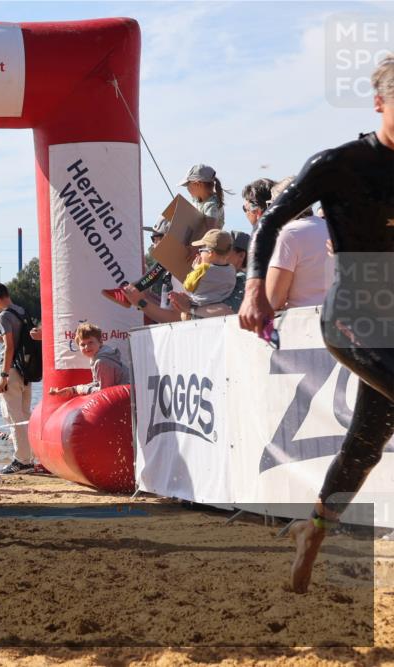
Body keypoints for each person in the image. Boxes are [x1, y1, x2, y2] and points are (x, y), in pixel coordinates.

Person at [239, 55, 394, 593]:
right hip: (353, 312)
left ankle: (314, 530)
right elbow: (271, 221)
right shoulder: (338, 163)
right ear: (379, 103)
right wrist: (255, 287)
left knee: (368, 441)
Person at [102, 164, 228, 308]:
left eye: (188, 185)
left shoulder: (212, 204)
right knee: (162, 262)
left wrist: (195, 248)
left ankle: (131, 290)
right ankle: (132, 290)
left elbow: (210, 230)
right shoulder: (198, 201)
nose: (187, 189)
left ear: (197, 184)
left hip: (202, 253)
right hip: (191, 248)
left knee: (163, 262)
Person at [125, 230, 250, 322]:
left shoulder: (243, 281)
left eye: (228, 249)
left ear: (241, 256)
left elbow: (227, 311)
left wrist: (190, 308)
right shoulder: (218, 273)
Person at [263, 177, 334, 309]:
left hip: (303, 322)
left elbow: (273, 300)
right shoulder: (331, 228)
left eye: (271, 204)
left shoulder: (290, 233)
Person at [0, 282, 35, 474]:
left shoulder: (3, 315)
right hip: (26, 370)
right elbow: (16, 341)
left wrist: (3, 376)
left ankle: (21, 460)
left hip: (12, 371)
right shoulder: (21, 311)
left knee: (13, 417)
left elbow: (9, 348)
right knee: (25, 416)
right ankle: (30, 457)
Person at [49, 322, 129, 397]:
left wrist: (80, 389)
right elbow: (97, 383)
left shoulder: (102, 361)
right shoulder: (99, 356)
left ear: (100, 342)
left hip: (127, 398)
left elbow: (104, 393)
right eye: (83, 344)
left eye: (90, 342)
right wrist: (73, 389)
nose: (87, 347)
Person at [179, 230, 239, 315]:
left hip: (199, 308)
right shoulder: (232, 270)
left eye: (201, 250)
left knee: (183, 314)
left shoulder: (202, 269)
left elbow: (187, 286)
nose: (199, 253)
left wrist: (195, 269)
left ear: (210, 253)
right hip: (219, 308)